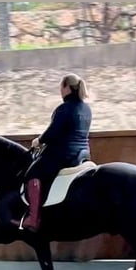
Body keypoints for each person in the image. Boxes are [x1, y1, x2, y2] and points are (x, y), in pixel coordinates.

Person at [15, 73, 92, 232]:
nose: (60, 91)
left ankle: (33, 218)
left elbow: (53, 132)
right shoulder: (86, 108)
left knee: (32, 174)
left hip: (63, 154)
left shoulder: (64, 109)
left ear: (66, 88)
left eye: (61, 87)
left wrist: (39, 140)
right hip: (83, 153)